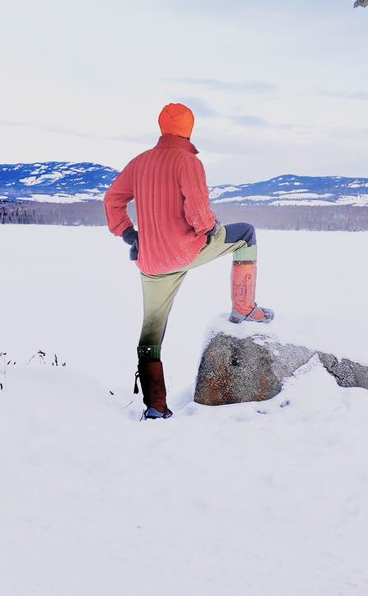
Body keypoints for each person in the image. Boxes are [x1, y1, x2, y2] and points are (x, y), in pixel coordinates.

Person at [103, 102, 274, 420]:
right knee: (246, 234)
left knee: (151, 332)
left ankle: (155, 405)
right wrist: (209, 229)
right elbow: (198, 211)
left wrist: (131, 236)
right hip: (186, 250)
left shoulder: (140, 163)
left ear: (161, 126)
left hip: (151, 261)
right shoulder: (188, 162)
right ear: (189, 129)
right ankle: (244, 307)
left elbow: (112, 200)